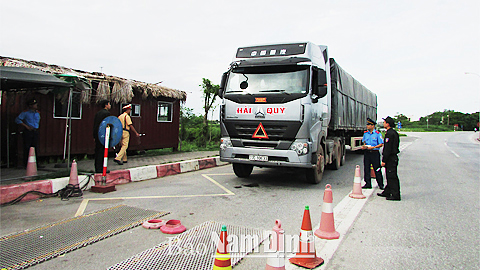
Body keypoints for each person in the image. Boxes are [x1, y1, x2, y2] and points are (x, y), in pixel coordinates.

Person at [378, 116, 401, 201]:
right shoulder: (393, 132)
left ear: (387, 124)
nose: (383, 124)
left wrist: (384, 160)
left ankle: (396, 194)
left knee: (392, 176)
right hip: (392, 157)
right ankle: (387, 191)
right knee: (389, 175)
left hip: (391, 158)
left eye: (384, 122)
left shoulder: (390, 134)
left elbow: (388, 149)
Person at [15, 98, 42, 167]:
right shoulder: (25, 113)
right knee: (27, 147)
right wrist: (26, 126)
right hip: (28, 131)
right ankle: (26, 164)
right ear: (30, 106)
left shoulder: (37, 113)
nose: (36, 105)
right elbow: (18, 119)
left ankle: (36, 164)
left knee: (35, 147)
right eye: (34, 104)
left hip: (35, 131)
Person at [361, 118, 384, 189]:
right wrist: (364, 146)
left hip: (374, 153)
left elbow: (381, 144)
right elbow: (364, 141)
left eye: (369, 125)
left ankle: (380, 184)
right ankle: (368, 183)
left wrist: (373, 147)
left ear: (373, 126)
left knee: (377, 169)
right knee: (366, 168)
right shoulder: (366, 134)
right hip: (367, 153)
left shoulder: (377, 134)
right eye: (367, 124)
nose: (367, 126)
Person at [93, 100, 111, 173]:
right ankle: (102, 168)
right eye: (109, 104)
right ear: (106, 105)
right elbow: (107, 124)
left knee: (97, 151)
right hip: (103, 134)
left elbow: (95, 125)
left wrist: (94, 135)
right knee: (102, 152)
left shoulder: (98, 113)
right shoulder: (106, 113)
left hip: (97, 134)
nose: (110, 105)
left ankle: (97, 168)